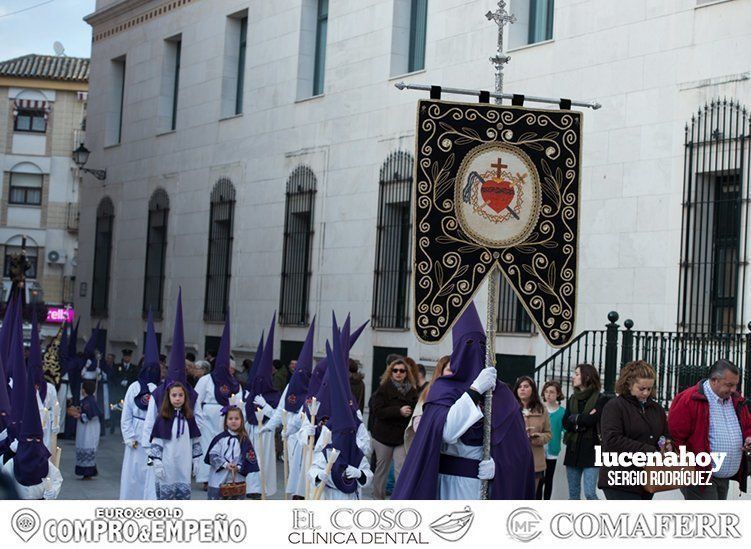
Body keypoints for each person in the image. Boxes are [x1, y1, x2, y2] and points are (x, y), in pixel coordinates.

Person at [392, 302, 536, 500]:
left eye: (480, 346)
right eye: (468, 345)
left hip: (478, 484)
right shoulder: (444, 387)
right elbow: (448, 432)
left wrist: (500, 466)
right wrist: (475, 390)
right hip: (444, 483)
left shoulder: (501, 393)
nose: (474, 351)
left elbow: (520, 452)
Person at [669, 359, 751, 500]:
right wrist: (691, 467)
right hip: (700, 476)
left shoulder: (736, 400)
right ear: (714, 380)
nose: (733, 390)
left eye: (735, 385)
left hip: (724, 477)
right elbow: (675, 436)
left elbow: (747, 426)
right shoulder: (689, 399)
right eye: (729, 385)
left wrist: (748, 438)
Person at [309, 331, 372, 500]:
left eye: (347, 433)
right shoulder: (328, 448)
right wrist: (318, 475)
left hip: (351, 494)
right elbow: (315, 460)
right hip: (329, 494)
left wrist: (359, 473)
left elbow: (366, 458)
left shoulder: (356, 441)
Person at [259, 319, 316, 499]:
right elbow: (280, 411)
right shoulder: (289, 388)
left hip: (305, 438)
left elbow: (306, 416)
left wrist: (291, 428)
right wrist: (270, 426)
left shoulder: (312, 392)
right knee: (292, 468)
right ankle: (294, 495)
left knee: (304, 469)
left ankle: (302, 495)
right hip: (289, 438)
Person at [598, 360, 670, 500]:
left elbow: (665, 434)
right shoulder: (615, 406)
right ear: (629, 384)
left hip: (647, 478)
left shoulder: (657, 409)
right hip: (619, 478)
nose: (646, 393)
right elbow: (612, 440)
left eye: (649, 389)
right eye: (641, 388)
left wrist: (667, 445)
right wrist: (648, 451)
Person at [119, 310, 161, 500]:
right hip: (136, 432)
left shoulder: (161, 389)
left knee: (149, 474)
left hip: (152, 434)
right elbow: (126, 414)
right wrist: (128, 436)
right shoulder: (135, 387)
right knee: (133, 473)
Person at [195, 315, 240, 488]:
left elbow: (239, 401)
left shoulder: (235, 383)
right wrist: (198, 419)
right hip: (208, 419)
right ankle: (206, 478)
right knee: (207, 446)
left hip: (226, 419)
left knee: (225, 447)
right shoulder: (206, 380)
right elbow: (196, 400)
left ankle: (223, 477)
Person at [3, 370, 63, 499]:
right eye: (29, 439)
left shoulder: (45, 464)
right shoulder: (11, 465)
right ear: (22, 441)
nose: (33, 443)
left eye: (37, 439)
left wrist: (53, 492)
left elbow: (57, 479)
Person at [369, 358, 418, 499]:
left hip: (401, 437)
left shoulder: (412, 391)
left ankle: (400, 498)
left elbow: (416, 411)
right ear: (390, 372)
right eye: (395, 370)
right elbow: (377, 411)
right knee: (381, 470)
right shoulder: (383, 389)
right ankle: (378, 499)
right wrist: (399, 411)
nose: (398, 373)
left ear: (406, 373)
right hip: (383, 436)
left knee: (401, 468)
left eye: (402, 370)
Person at [245, 314, 280, 498]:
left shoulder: (274, 395)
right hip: (251, 430)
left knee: (263, 461)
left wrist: (265, 406)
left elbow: (277, 416)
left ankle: (262, 489)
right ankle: (251, 488)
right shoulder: (250, 395)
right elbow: (244, 413)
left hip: (265, 432)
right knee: (251, 458)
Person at [562, 364, 609, 500]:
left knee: (590, 493)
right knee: (573, 494)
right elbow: (566, 422)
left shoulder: (601, 399)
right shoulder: (572, 398)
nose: (573, 377)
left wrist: (576, 418)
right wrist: (580, 422)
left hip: (592, 453)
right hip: (573, 451)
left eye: (577, 374)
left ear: (587, 377)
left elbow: (592, 420)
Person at [149, 381, 202, 500]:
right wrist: (157, 463)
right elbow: (156, 442)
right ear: (168, 397)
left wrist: (196, 460)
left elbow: (195, 439)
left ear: (185, 397)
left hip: (184, 462)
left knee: (182, 495)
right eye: (174, 395)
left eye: (180, 395)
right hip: (168, 462)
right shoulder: (163, 418)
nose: (177, 398)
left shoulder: (189, 417)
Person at [205, 401, 259, 500]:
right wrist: (225, 464)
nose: (233, 421)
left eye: (237, 418)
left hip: (237, 478)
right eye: (230, 419)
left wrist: (238, 466)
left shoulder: (244, 440)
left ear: (242, 421)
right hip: (219, 477)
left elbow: (248, 457)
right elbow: (212, 455)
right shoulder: (220, 439)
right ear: (226, 421)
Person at [28, 314, 60, 454]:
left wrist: (55, 425)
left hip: (44, 427)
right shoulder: (25, 388)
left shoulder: (50, 388)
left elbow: (55, 407)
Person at [404, 355, 450, 452]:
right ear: (440, 371)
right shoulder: (429, 392)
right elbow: (418, 423)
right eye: (449, 370)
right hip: (431, 446)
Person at [514, 376, 552, 490]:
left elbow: (548, 434)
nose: (522, 389)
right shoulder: (512, 408)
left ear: (533, 389)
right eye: (520, 387)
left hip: (535, 459)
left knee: (531, 495)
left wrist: (538, 437)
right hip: (515, 459)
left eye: (526, 386)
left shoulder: (542, 409)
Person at [537, 380, 565, 500]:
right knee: (539, 479)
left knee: (549, 479)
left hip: (553, 451)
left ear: (558, 394)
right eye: (546, 392)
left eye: (552, 392)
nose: (548, 395)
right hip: (539, 449)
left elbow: (564, 430)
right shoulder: (539, 410)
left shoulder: (562, 412)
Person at [73, 380, 102, 479]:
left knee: (87, 445)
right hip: (88, 428)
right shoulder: (90, 400)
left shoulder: (88, 401)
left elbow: (89, 415)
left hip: (89, 429)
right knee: (85, 445)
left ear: (84, 390)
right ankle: (88, 471)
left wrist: (78, 416)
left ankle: (88, 472)